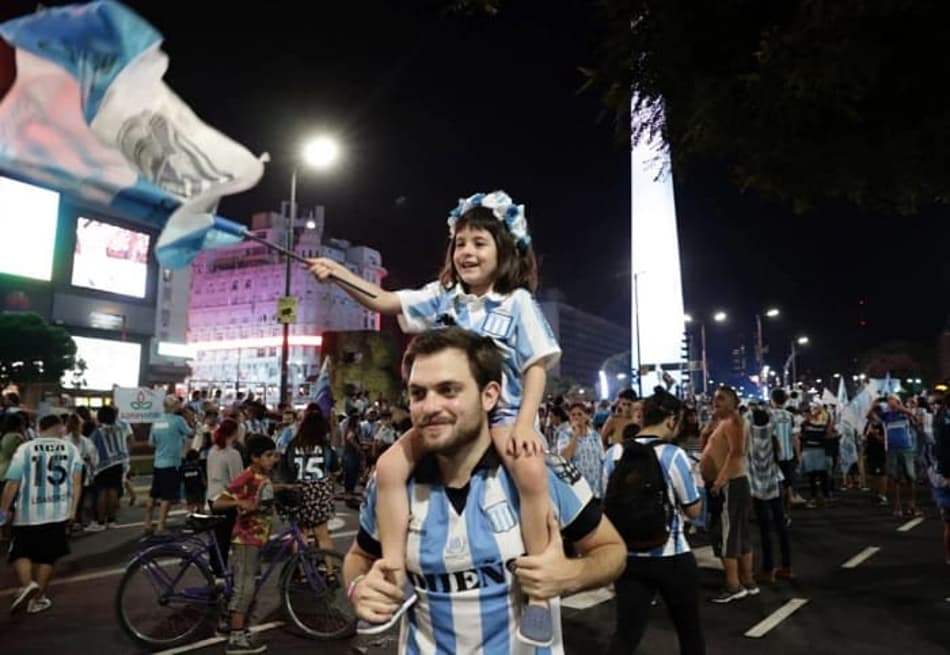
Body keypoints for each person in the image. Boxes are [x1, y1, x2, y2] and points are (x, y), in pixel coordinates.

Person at [309, 191, 563, 644]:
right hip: (447, 419)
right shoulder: (441, 297)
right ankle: (393, 574)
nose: (467, 251)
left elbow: (536, 366)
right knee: (388, 466)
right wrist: (339, 274)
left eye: (480, 242)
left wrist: (525, 423)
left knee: (529, 470)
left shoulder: (518, 302)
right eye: (460, 242)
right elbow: (384, 300)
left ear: (504, 249)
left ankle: (539, 591)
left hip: (501, 415)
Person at [343, 328, 625, 654]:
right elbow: (358, 557)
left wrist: (570, 574)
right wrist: (359, 587)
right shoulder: (392, 481)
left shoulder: (538, 469)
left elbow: (612, 550)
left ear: (489, 396)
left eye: (448, 390)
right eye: (418, 394)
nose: (429, 406)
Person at [603, 388, 705, 655]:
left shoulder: (614, 454)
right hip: (671, 555)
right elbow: (693, 510)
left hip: (628, 558)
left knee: (626, 634)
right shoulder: (673, 455)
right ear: (671, 420)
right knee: (689, 632)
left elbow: (605, 504)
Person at [0, 413, 83, 615]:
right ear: (59, 428)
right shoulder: (71, 449)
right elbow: (77, 482)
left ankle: (28, 584)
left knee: (20, 552)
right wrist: (73, 510)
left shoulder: (25, 449)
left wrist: (3, 510)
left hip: (28, 511)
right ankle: (36, 599)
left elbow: (13, 481)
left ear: (40, 428)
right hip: (57, 512)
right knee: (48, 556)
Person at [213, 435, 280, 654]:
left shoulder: (263, 475)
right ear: (254, 457)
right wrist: (238, 502)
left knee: (246, 584)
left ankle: (229, 622)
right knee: (246, 588)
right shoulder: (246, 476)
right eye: (268, 456)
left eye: (274, 455)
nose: (273, 460)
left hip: (257, 538)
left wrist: (286, 488)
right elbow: (218, 502)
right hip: (245, 540)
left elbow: (262, 494)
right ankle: (236, 638)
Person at [700, 386, 757, 602]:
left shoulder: (734, 422)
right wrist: (708, 429)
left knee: (726, 535)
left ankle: (734, 586)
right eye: (715, 399)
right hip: (732, 485)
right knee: (740, 534)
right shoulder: (724, 422)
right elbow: (708, 445)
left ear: (734, 402)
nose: (716, 402)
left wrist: (720, 480)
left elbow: (736, 453)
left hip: (730, 485)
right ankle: (748, 581)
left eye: (721, 399)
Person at [282, 411, 339, 553]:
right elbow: (335, 469)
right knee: (322, 534)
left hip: (299, 490)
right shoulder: (325, 447)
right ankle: (330, 571)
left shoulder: (294, 445)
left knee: (301, 533)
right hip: (320, 491)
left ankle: (301, 569)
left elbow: (287, 469)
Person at [748, 407, 793, 582]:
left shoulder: (750, 438)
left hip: (758, 487)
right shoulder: (772, 437)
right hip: (775, 483)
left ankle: (768, 570)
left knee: (765, 530)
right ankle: (787, 567)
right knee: (781, 527)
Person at [144, 395, 192, 535]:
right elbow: (191, 433)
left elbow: (151, 443)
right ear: (174, 406)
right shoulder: (178, 420)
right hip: (172, 463)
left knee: (153, 494)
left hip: (158, 462)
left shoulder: (157, 421)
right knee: (167, 496)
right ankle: (160, 526)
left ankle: (147, 523)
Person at [206, 418, 245, 577]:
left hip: (212, 497)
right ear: (235, 433)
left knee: (217, 538)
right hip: (226, 500)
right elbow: (238, 481)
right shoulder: (232, 454)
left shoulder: (213, 450)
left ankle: (215, 570)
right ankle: (222, 574)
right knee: (226, 539)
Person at [88, 405, 130, 531]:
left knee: (101, 492)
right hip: (118, 463)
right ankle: (111, 520)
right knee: (113, 491)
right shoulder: (120, 429)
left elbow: (91, 449)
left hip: (103, 465)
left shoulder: (98, 432)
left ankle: (101, 522)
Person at [557, 402, 605, 502]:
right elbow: (564, 458)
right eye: (573, 415)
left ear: (586, 417)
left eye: (579, 414)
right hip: (576, 491)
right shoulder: (565, 435)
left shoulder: (595, 436)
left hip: (595, 490)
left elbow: (601, 461)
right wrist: (575, 436)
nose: (576, 417)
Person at [65, 413, 98, 529]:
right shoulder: (85, 441)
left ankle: (69, 519)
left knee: (69, 495)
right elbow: (93, 456)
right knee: (80, 495)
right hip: (81, 469)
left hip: (67, 469)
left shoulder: (65, 440)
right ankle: (77, 518)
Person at [181, 449, 207, 514]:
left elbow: (182, 480)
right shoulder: (198, 468)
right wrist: (205, 485)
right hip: (199, 490)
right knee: (201, 506)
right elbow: (202, 479)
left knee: (191, 506)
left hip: (189, 491)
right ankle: (202, 517)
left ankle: (191, 517)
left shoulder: (184, 468)